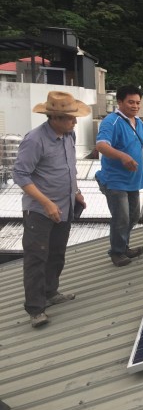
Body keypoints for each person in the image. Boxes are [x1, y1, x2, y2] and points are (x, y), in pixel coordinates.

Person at [13, 91, 91, 327]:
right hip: (39, 210)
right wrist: (46, 202)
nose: (75, 122)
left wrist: (75, 191)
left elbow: (69, 167)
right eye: (70, 118)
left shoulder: (69, 135)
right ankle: (36, 309)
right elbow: (20, 174)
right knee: (37, 257)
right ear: (54, 118)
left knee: (57, 252)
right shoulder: (35, 140)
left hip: (64, 205)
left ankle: (50, 292)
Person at [95, 85, 143, 267]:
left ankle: (123, 246)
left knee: (134, 216)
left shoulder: (136, 121)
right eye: (131, 102)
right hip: (115, 180)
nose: (135, 106)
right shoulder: (111, 122)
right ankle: (117, 252)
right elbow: (101, 145)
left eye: (138, 102)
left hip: (132, 180)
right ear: (119, 102)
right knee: (121, 218)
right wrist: (122, 156)